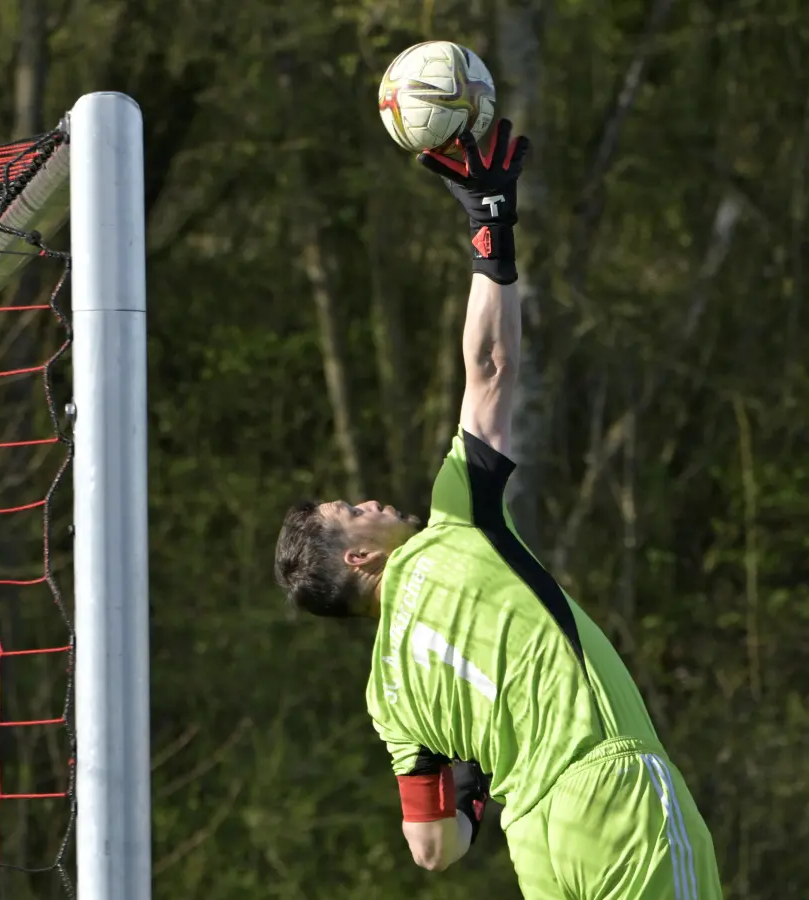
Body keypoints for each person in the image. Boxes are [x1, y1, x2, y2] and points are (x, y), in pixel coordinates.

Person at [273, 118, 723, 899]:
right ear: (358, 556)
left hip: (539, 844)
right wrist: (490, 226)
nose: (373, 498)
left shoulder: (390, 699)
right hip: (612, 792)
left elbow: (431, 849)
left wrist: (474, 792)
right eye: (354, 507)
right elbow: (489, 370)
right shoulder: (457, 522)